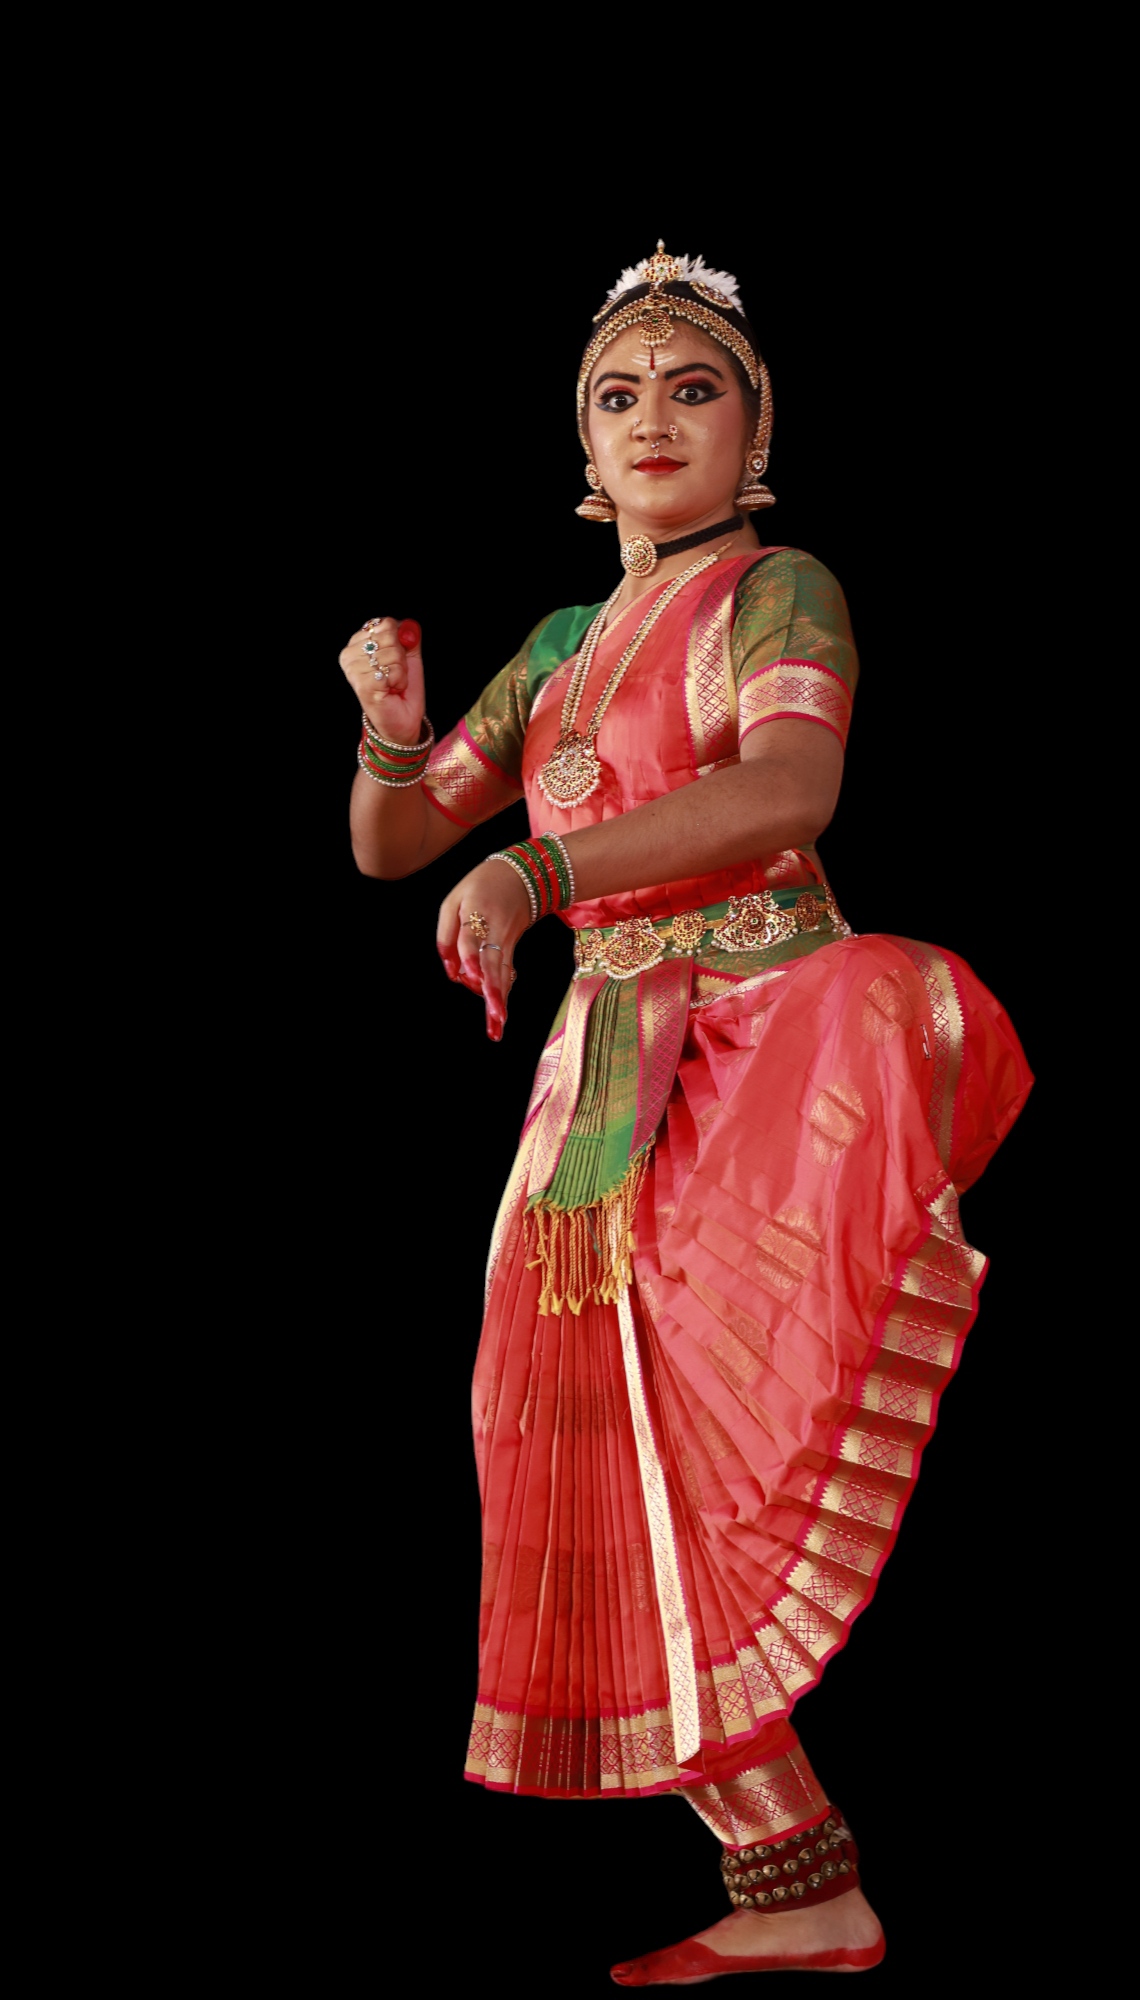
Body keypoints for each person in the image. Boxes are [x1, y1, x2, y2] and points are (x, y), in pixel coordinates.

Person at [341, 242, 1033, 1986]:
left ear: (754, 433)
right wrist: (389, 738)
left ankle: (807, 1876)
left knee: (734, 1437)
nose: (653, 419)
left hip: (761, 1042)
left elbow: (790, 787)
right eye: (617, 395)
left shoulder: (775, 589)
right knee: (574, 1443)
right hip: (599, 1086)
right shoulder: (560, 646)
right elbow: (395, 841)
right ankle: (795, 1875)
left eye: (692, 388)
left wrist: (539, 869)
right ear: (582, 449)